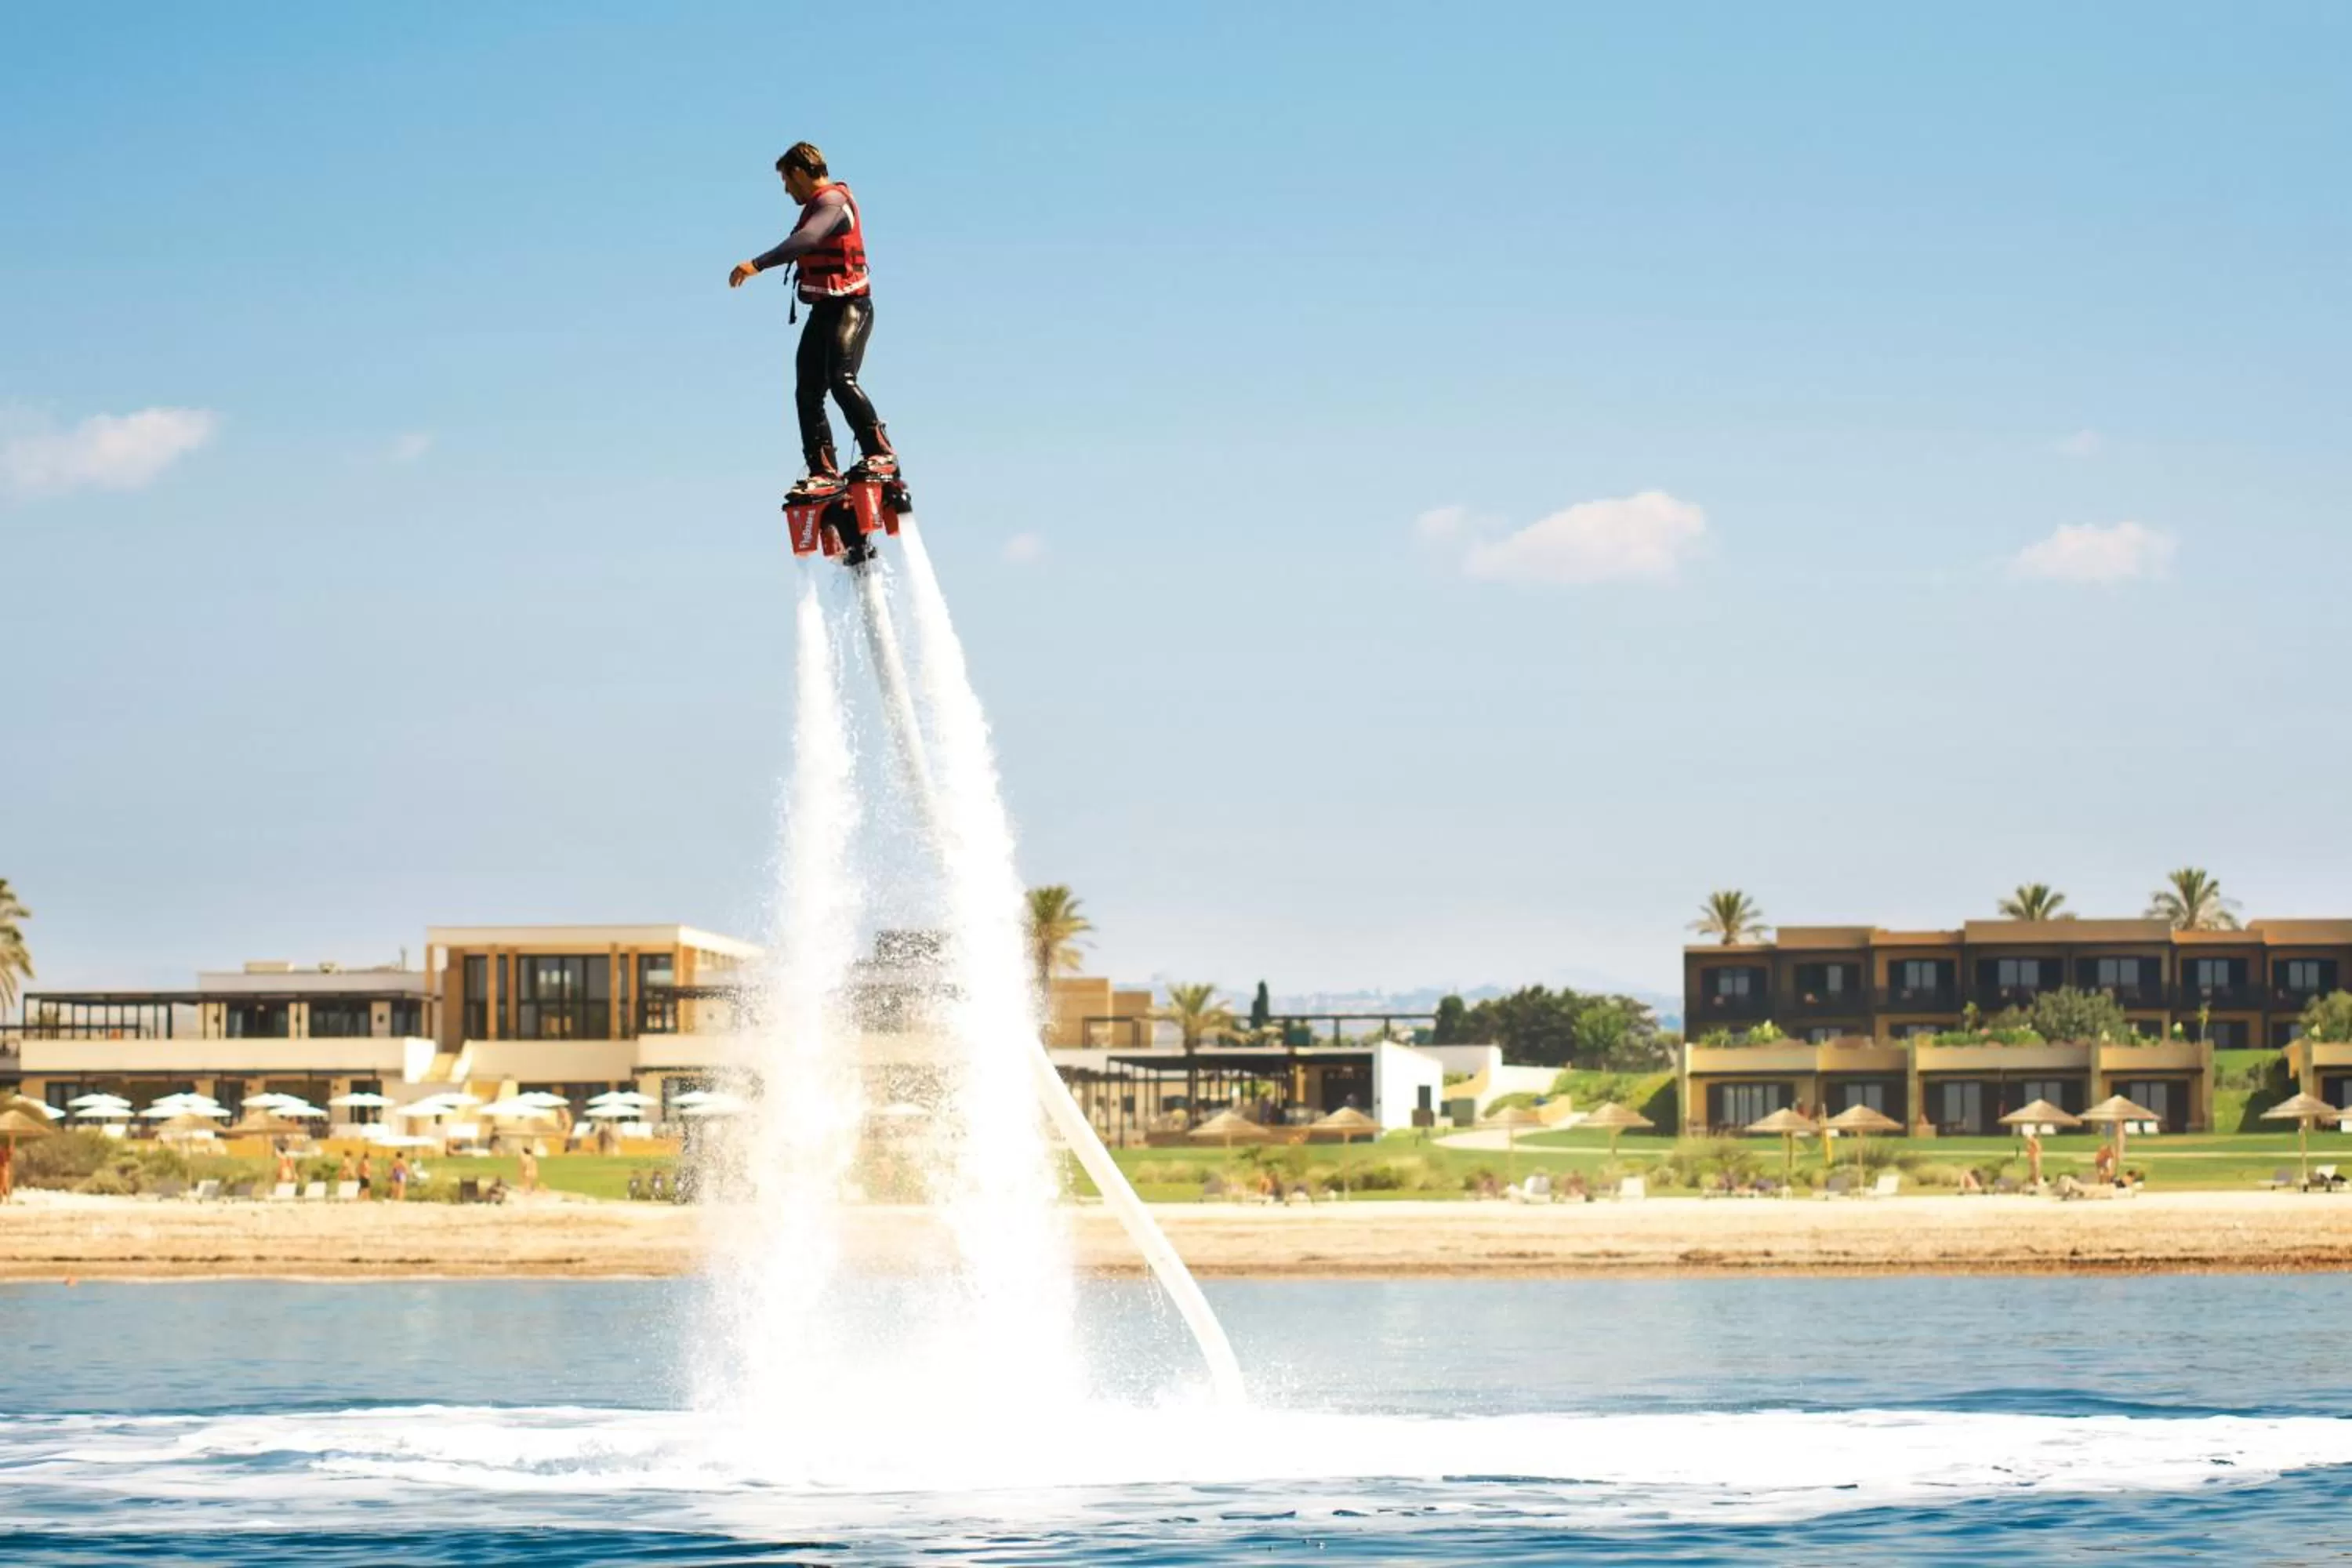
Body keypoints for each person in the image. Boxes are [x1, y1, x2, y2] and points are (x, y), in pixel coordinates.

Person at [728, 141, 898, 505]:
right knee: (807, 391)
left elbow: (808, 239)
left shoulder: (833, 203)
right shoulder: (817, 206)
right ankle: (824, 473)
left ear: (800, 173)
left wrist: (755, 264)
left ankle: (880, 454)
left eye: (786, 181)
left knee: (841, 379)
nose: (787, 190)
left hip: (851, 307)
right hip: (823, 311)